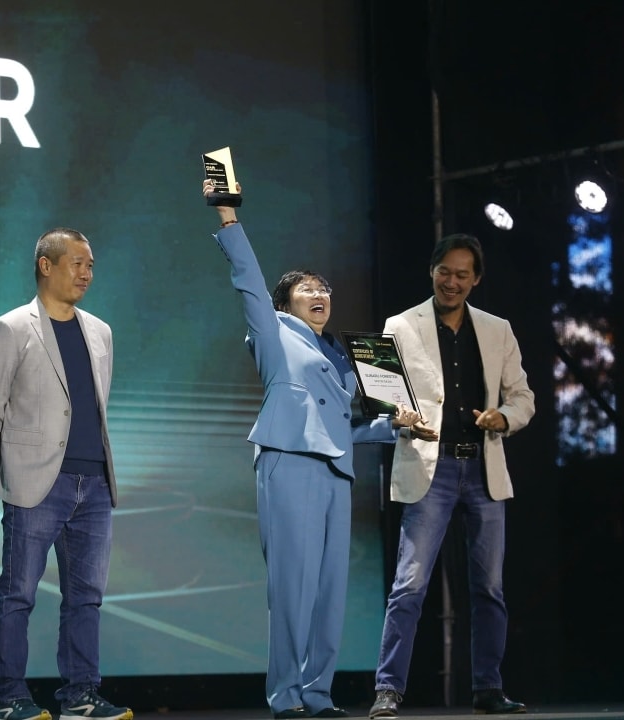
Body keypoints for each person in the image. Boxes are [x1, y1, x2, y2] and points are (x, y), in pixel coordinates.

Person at [203, 179, 433, 719]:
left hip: (334, 472)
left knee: (330, 589)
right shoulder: (274, 332)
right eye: (307, 288)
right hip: (288, 461)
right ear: (285, 303)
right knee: (293, 585)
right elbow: (248, 281)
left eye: (324, 287)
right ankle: (286, 695)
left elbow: (343, 428)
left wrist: (396, 425)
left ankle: (317, 693)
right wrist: (228, 217)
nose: (320, 292)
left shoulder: (341, 356)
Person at [368, 233, 535, 718]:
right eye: (445, 271)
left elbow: (523, 397)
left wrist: (503, 417)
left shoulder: (498, 329)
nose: (452, 281)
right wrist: (398, 415)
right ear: (432, 271)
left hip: (483, 467)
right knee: (410, 584)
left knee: (489, 588)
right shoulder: (400, 325)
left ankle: (488, 688)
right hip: (431, 466)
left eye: (463, 274)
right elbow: (381, 397)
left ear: (476, 279)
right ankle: (387, 689)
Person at [0, 228, 132, 720]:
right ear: (46, 265)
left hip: (95, 483)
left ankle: (81, 695)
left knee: (86, 598)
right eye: (77, 263)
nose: (86, 273)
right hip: (37, 483)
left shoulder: (100, 332)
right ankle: (9, 696)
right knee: (17, 594)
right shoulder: (11, 327)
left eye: (91, 265)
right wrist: (10, 466)